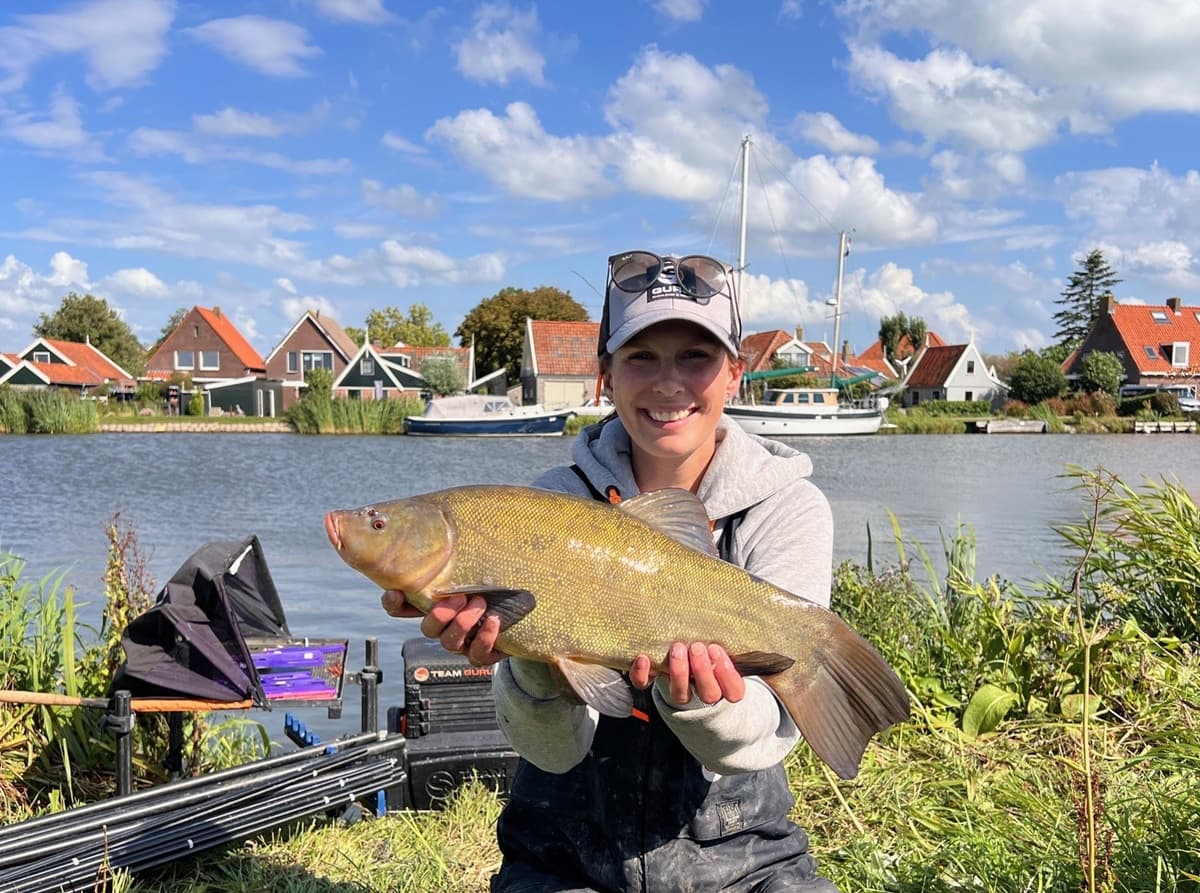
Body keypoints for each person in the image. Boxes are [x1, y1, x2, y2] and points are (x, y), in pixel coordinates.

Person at [388, 249, 838, 892]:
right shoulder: (551, 500)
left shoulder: (787, 506)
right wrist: (532, 665)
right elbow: (550, 751)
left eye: (695, 357)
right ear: (605, 375)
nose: (668, 382)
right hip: (564, 852)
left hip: (743, 855)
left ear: (734, 374)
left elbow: (762, 742)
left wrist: (699, 701)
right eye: (641, 358)